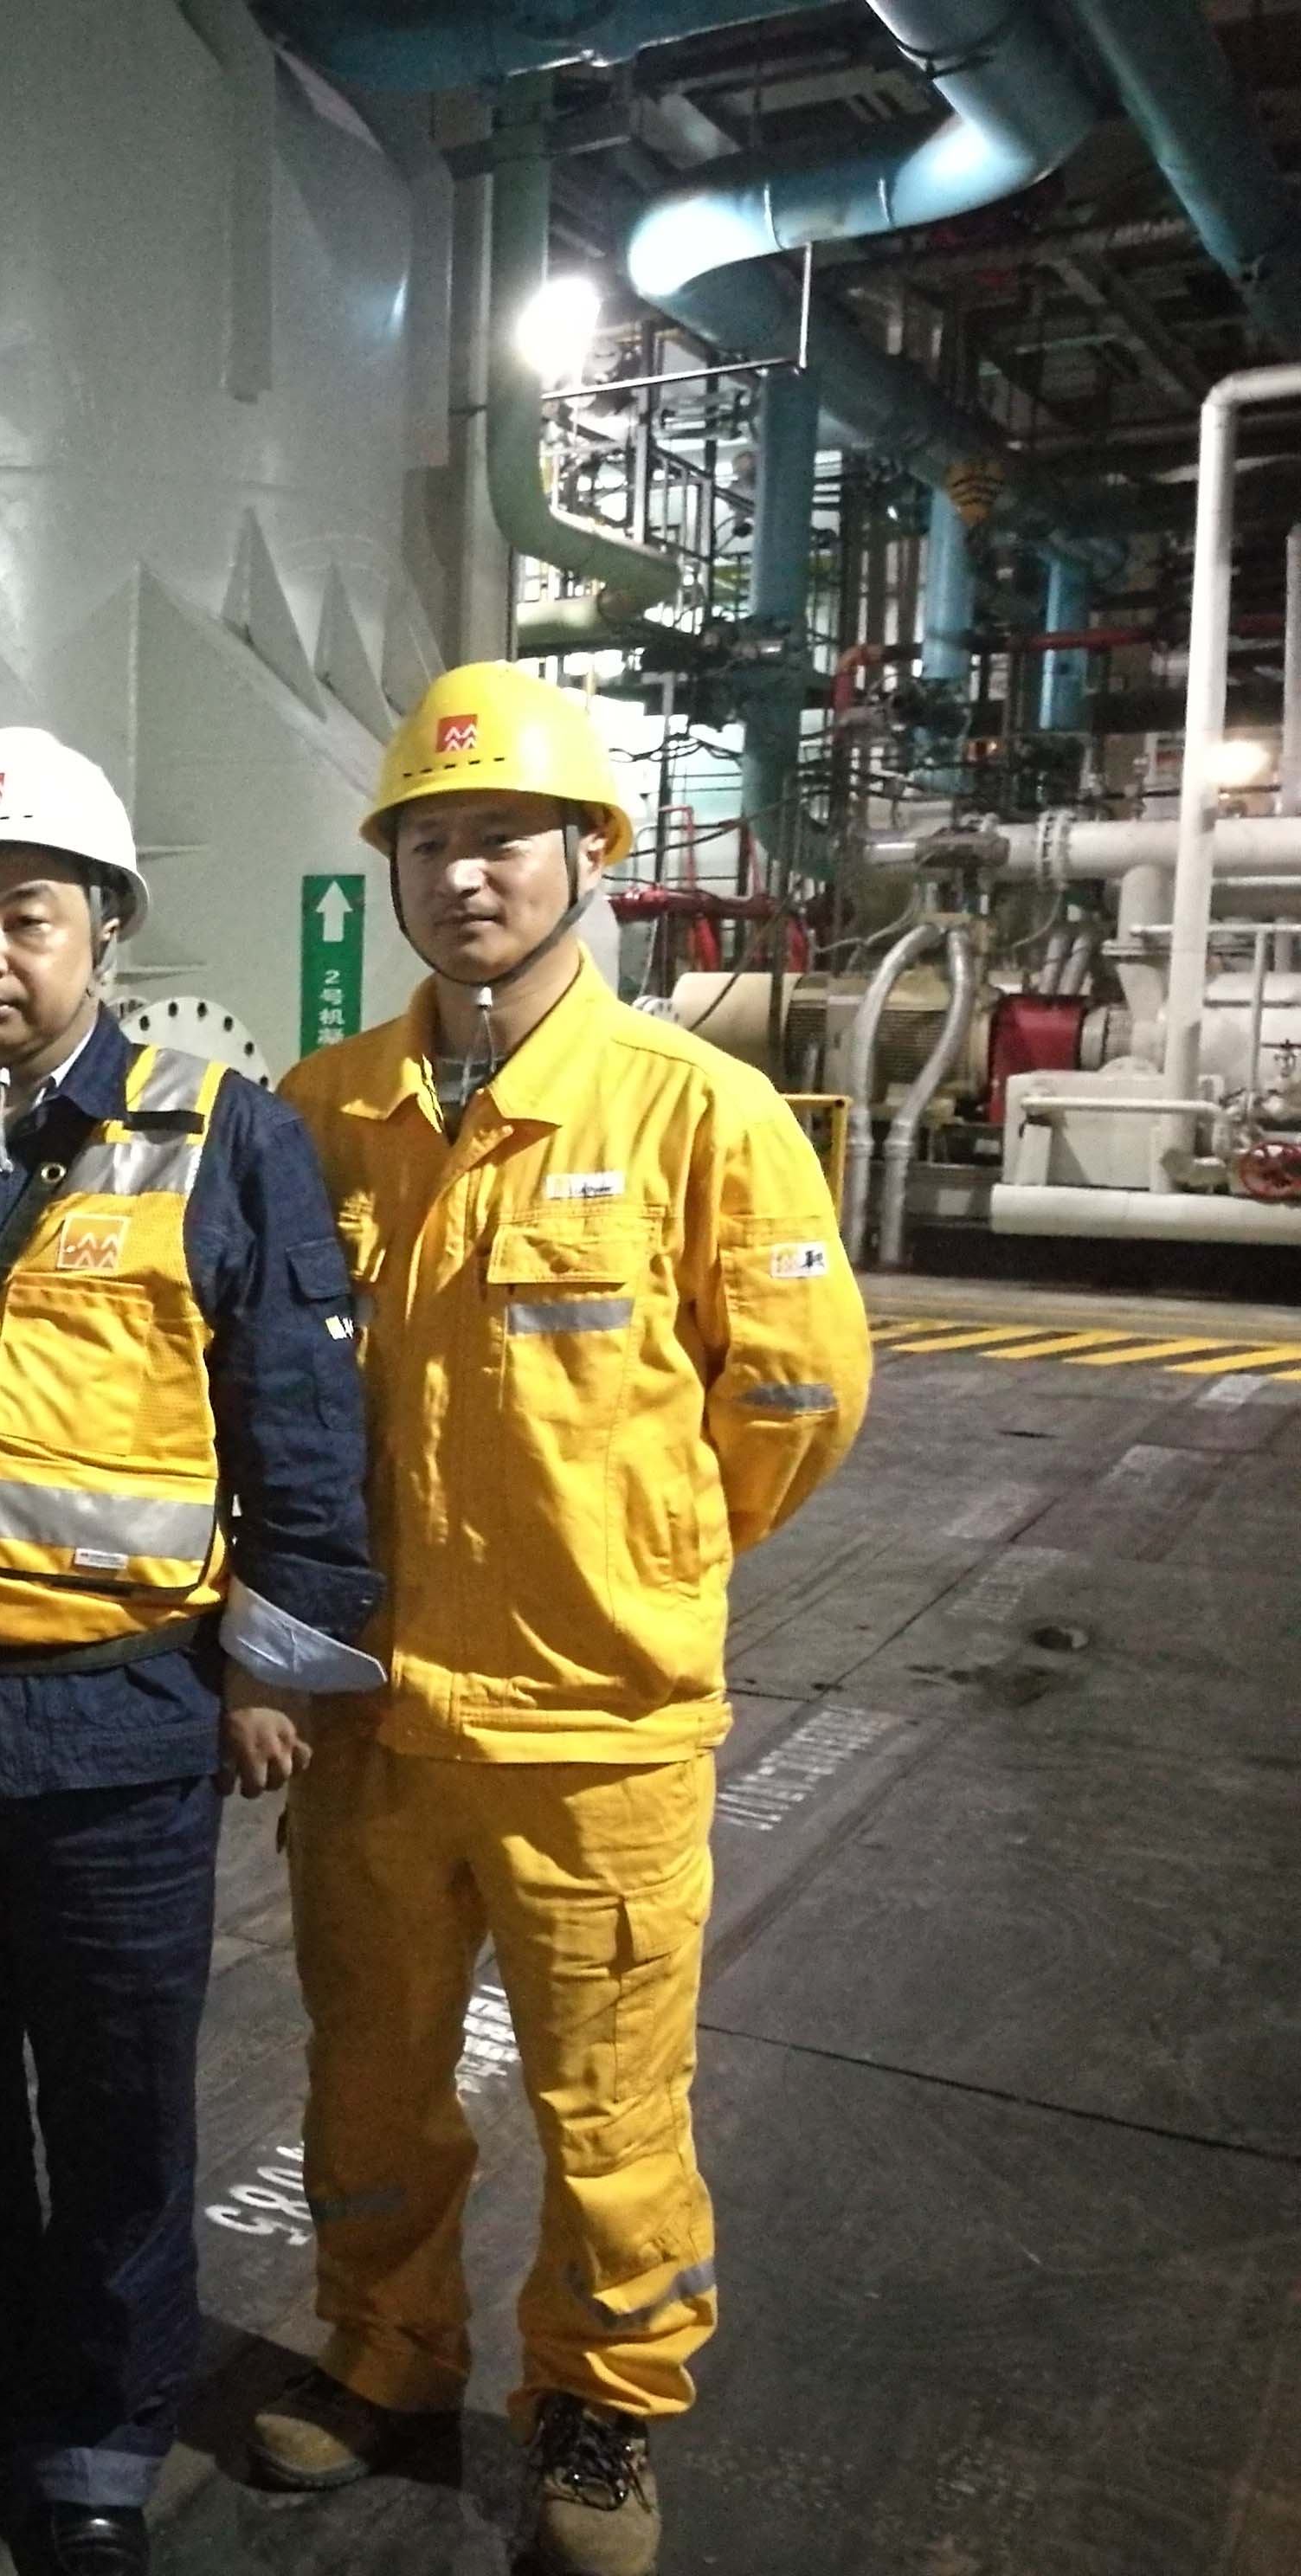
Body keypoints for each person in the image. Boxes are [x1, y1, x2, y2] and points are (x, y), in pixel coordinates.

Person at [252, 664, 871, 2576]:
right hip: (372, 1722)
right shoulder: (321, 1112)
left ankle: (601, 2408)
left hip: (597, 1728)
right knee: (368, 2077)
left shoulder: (700, 1112)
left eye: (505, 838)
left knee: (610, 2106)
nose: (466, 877)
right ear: (392, 869)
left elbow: (798, 1395)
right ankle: (384, 2351)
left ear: (589, 854)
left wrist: (644, 1555)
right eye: (430, 842)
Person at [0, 726, 383, 2576]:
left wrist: (274, 1667)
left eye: (25, 914)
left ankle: (101, 2432)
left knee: (115, 2101)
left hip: (116, 1720)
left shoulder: (224, 1136)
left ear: (103, 930)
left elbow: (300, 1423)